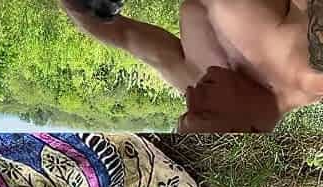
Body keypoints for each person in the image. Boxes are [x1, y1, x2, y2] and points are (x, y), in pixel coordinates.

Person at [59, 0, 323, 133]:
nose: (190, 95)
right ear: (246, 130)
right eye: (203, 112)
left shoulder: (201, 80)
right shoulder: (309, 65)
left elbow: (122, 35)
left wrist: (77, 5)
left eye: (187, 111)